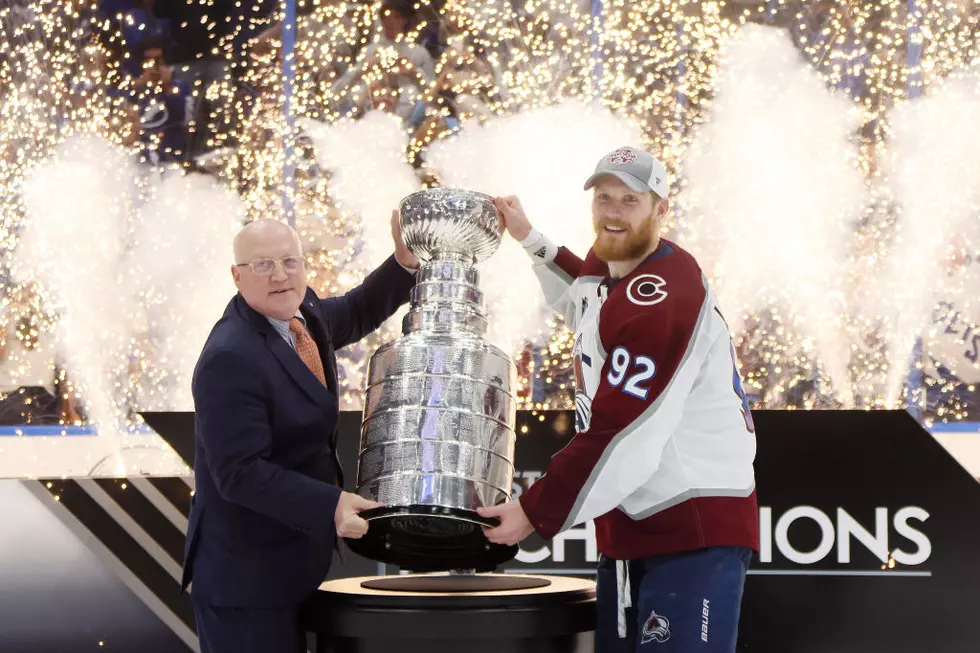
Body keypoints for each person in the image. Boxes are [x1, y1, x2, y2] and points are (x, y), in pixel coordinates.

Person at [479, 146, 759, 652]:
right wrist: (530, 237)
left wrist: (534, 511)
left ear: (660, 210)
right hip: (636, 523)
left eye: (629, 200)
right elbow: (586, 304)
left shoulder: (664, 297)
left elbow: (623, 432)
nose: (612, 211)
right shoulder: (615, 265)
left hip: (690, 525)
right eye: (604, 197)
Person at [182, 213, 420, 653]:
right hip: (245, 582)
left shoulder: (302, 311)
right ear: (236, 276)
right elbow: (240, 473)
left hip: (292, 563)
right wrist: (332, 503)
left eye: (290, 261)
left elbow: (355, 310)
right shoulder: (229, 357)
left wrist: (403, 262)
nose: (279, 275)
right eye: (262, 265)